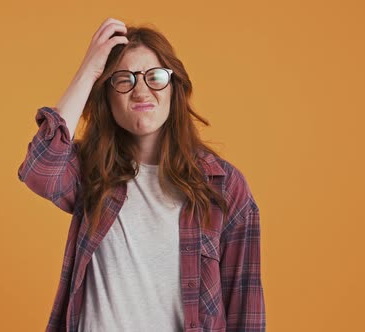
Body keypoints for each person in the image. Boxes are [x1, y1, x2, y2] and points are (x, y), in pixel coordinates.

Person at [17, 17, 266, 332]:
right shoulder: (90, 170)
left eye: (155, 77)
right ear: (106, 96)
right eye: (124, 79)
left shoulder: (223, 185)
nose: (141, 91)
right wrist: (88, 71)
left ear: (174, 88)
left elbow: (245, 310)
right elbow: (39, 170)